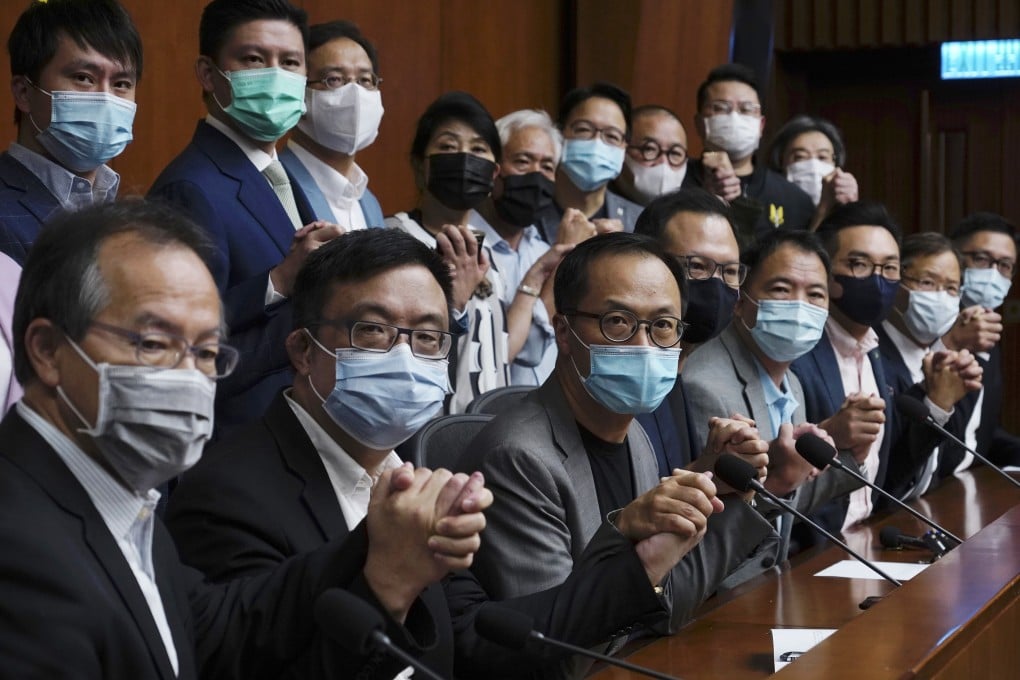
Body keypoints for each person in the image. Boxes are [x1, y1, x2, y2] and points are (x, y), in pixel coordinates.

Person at [167, 228, 708, 680]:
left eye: (428, 337)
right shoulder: (227, 494)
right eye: (374, 331)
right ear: (305, 350)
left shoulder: (410, 472)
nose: (404, 357)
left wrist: (639, 566)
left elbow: (477, 642)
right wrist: (385, 580)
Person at [0, 200, 490, 679]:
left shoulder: (122, 507)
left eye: (206, 352)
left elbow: (225, 631)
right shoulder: (18, 544)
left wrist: (382, 549)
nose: (188, 377)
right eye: (154, 343)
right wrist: (386, 576)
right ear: (48, 351)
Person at [459, 233, 776, 644]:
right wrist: (624, 530)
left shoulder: (633, 434)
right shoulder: (518, 457)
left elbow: (660, 609)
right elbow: (555, 646)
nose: (643, 345)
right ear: (564, 332)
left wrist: (723, 492)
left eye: (663, 326)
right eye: (618, 322)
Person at [149, 0, 343, 436]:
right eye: (254, 59)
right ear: (208, 73)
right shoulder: (189, 188)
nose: (275, 75)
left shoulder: (277, 173)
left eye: (290, 62)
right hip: (232, 446)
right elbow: (178, 350)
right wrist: (279, 281)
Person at [792, 202, 980, 537]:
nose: (877, 279)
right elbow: (781, 483)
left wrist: (935, 403)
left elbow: (887, 476)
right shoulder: (799, 354)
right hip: (812, 549)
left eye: (889, 268)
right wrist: (830, 434)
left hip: (865, 537)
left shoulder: (873, 353)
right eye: (859, 264)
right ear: (826, 272)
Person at [683, 229, 861, 563]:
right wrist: (778, 480)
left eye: (815, 294)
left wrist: (852, 457)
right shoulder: (705, 386)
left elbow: (788, 503)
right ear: (740, 301)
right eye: (781, 289)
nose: (799, 306)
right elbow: (707, 527)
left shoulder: (791, 381)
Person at [387, 91, 518, 412]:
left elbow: (498, 350)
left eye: (478, 149)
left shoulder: (489, 251)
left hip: (491, 427)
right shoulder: (394, 238)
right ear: (420, 165)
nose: (464, 159)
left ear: (493, 174)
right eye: (447, 146)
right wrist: (452, 302)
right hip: (427, 426)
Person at [0, 0, 140, 264]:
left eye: (121, 83)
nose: (106, 99)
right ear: (24, 92)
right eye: (83, 78)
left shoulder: (124, 215)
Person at [631, 188, 745, 475]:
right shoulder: (624, 380)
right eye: (696, 266)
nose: (716, 285)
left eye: (730, 271)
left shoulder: (677, 374)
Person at [470, 109, 574, 386]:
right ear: (494, 169)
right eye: (523, 161)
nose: (536, 177)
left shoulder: (541, 248)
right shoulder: (465, 246)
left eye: (547, 167)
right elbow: (526, 350)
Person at [874, 233, 968, 496]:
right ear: (898, 282)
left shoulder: (941, 357)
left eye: (951, 288)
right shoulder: (872, 354)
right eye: (927, 282)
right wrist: (936, 405)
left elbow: (952, 454)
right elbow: (886, 473)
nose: (941, 297)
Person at [685, 64, 814, 243]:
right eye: (721, 108)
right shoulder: (677, 180)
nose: (734, 117)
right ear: (699, 123)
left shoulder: (793, 198)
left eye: (746, 109)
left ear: (761, 125)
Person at [279, 20, 386, 229]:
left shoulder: (369, 202)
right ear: (298, 92)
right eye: (334, 79)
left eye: (365, 80)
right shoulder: (275, 187)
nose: (355, 93)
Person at [941, 212, 1020, 468]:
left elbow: (979, 431)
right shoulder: (928, 325)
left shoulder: (989, 335)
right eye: (981, 259)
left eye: (1005, 265)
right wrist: (951, 342)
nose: (993, 273)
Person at [535, 82, 643, 242]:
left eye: (612, 136)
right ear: (559, 133)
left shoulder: (639, 222)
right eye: (584, 130)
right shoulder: (527, 213)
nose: (596, 143)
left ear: (624, 147)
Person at [767, 114, 860, 231]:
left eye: (822, 157)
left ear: (836, 164)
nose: (813, 165)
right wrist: (824, 208)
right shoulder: (767, 207)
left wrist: (852, 209)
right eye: (800, 157)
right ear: (781, 162)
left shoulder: (841, 209)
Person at [612, 105, 689, 206]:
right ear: (622, 150)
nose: (663, 163)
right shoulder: (598, 205)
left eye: (675, 153)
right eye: (649, 149)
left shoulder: (690, 211)